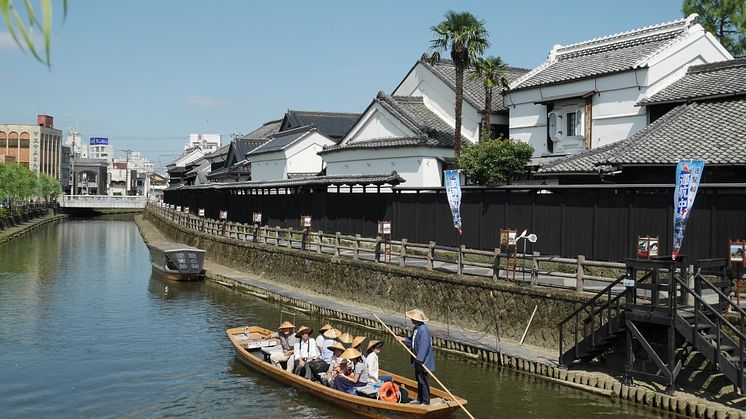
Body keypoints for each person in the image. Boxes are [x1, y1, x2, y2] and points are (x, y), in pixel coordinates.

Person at [397, 308, 434, 405]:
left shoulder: (423, 330)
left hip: (423, 361)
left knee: (423, 381)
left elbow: (424, 345)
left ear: (416, 319)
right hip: (417, 360)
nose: (411, 320)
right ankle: (419, 399)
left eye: (412, 318)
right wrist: (403, 339)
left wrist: (420, 359)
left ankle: (425, 401)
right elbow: (412, 341)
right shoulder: (416, 328)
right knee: (418, 379)